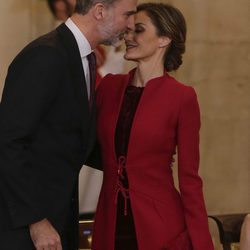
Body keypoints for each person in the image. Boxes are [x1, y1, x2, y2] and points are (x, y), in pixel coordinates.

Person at [0, 0, 137, 249]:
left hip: (58, 216)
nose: (130, 25)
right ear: (99, 11)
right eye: (127, 15)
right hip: (25, 227)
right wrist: (36, 220)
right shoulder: (46, 54)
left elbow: (71, 138)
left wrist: (137, 164)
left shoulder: (82, 58)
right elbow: (8, 141)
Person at [91, 3, 214, 250]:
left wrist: (202, 245)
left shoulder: (182, 98)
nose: (128, 36)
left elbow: (190, 181)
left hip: (161, 230)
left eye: (138, 30)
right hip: (109, 225)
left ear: (164, 39)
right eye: (128, 30)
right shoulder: (109, 87)